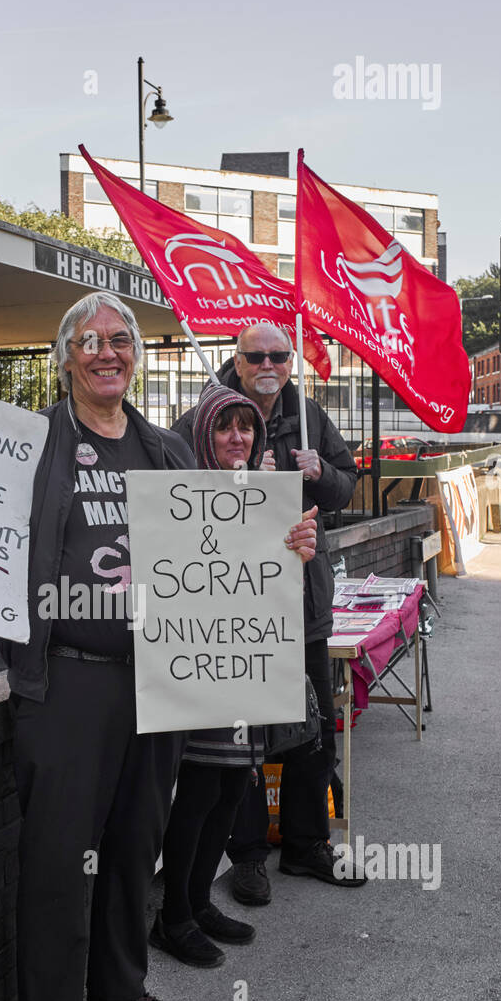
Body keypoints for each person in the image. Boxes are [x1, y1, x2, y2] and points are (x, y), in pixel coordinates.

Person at [0, 291, 200, 1001]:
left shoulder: (167, 448)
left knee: (132, 844)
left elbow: (220, 544)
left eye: (121, 340)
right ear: (65, 356)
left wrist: (285, 543)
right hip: (68, 678)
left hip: (157, 678)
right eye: (91, 341)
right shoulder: (32, 445)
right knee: (58, 857)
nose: (108, 352)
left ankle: (119, 989)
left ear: (136, 356)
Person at [178, 322, 363, 897]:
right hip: (231, 608)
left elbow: (348, 487)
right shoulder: (205, 416)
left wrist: (319, 473)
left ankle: (308, 845)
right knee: (241, 738)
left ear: (291, 361)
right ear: (236, 361)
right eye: (254, 354)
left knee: (310, 732)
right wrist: (235, 484)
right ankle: (248, 854)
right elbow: (172, 493)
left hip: (300, 605)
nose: (267, 363)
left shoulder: (307, 412)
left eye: (278, 354)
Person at [152, 385, 318, 967]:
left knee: (231, 790)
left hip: (247, 669)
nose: (238, 438)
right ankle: (172, 916)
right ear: (204, 434)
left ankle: (198, 903)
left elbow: (277, 581)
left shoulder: (265, 499)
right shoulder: (183, 496)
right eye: (225, 428)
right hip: (201, 671)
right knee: (197, 792)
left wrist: (301, 545)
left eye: (246, 427)